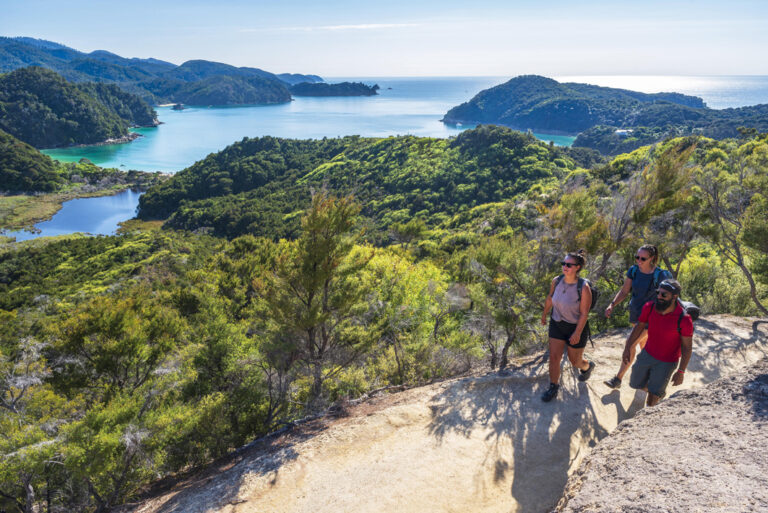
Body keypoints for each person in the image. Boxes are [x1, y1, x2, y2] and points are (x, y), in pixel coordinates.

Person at [603, 245, 672, 389]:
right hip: (636, 315)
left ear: (652, 259)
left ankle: (618, 379)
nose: (639, 260)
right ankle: (651, 380)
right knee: (645, 347)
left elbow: (668, 297)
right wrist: (612, 304)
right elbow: (624, 291)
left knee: (631, 343)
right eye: (637, 257)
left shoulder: (660, 275)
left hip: (652, 318)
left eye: (643, 258)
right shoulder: (633, 271)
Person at [623, 279, 693, 407]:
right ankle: (656, 389)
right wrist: (627, 347)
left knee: (652, 397)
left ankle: (655, 398)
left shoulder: (684, 319)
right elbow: (639, 327)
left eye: (664, 294)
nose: (659, 296)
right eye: (658, 293)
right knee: (636, 383)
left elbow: (687, 348)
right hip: (647, 354)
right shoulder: (649, 307)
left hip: (667, 362)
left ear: (674, 296)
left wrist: (681, 371)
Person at [540, 250, 596, 402]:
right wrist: (545, 314)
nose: (565, 267)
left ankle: (587, 366)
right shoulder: (556, 281)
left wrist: (577, 333)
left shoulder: (583, 287)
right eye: (563, 263)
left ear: (577, 267)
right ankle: (553, 386)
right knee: (554, 357)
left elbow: (584, 314)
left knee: (575, 361)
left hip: (575, 327)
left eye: (569, 265)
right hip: (557, 323)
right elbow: (550, 299)